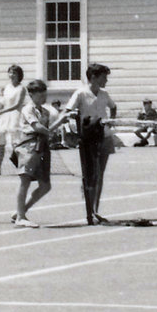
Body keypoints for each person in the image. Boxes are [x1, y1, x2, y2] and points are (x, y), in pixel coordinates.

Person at [62, 62, 119, 226]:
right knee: (91, 175)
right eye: (103, 77)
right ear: (93, 77)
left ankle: (95, 209)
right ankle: (90, 210)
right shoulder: (80, 93)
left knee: (100, 174)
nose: (106, 80)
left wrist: (110, 122)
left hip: (104, 136)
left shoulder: (105, 94)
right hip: (88, 138)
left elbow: (113, 107)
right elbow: (68, 112)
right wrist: (74, 126)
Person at [12, 79, 58, 227]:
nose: (44, 96)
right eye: (40, 93)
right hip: (29, 145)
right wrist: (51, 132)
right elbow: (37, 127)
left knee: (45, 186)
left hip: (42, 147)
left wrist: (61, 123)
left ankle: (21, 210)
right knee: (25, 180)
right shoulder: (27, 109)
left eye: (45, 93)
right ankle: (20, 217)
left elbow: (46, 129)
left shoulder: (45, 111)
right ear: (31, 94)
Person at [0, 64, 27, 175]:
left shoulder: (21, 89)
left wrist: (1, 111)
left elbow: (17, 105)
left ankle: (23, 168)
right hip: (5, 118)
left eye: (14, 73)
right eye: (10, 72)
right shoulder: (7, 87)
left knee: (16, 143)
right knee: (0, 142)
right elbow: (3, 102)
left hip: (15, 116)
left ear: (19, 75)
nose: (11, 75)